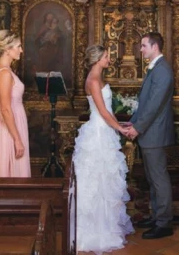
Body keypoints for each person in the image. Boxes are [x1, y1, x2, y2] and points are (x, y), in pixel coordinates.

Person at [72, 45, 134, 254]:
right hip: (98, 133)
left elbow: (108, 112)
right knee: (97, 180)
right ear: (98, 59)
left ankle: (108, 225)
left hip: (105, 130)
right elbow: (102, 111)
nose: (110, 59)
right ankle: (95, 231)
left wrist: (119, 125)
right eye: (107, 56)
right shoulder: (93, 80)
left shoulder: (97, 77)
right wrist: (120, 128)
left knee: (106, 181)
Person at [125, 32, 174, 240]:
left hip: (155, 133)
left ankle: (164, 223)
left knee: (159, 179)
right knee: (153, 179)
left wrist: (138, 128)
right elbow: (144, 103)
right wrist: (133, 122)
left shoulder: (162, 70)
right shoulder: (155, 69)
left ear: (155, 47)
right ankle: (156, 217)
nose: (140, 49)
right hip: (150, 132)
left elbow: (154, 105)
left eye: (144, 46)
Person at [0, 30, 31, 177]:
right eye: (18, 46)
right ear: (7, 49)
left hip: (12, 124)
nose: (21, 50)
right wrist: (17, 139)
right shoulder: (4, 73)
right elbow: (5, 109)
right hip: (9, 129)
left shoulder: (5, 70)